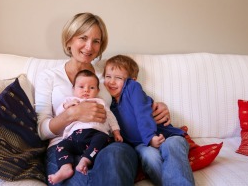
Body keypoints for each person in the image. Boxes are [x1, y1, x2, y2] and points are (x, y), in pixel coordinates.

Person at [34, 12, 172, 186]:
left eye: (96, 41)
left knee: (115, 161)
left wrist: (157, 106)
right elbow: (41, 130)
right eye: (83, 38)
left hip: (105, 145)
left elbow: (130, 101)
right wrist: (73, 114)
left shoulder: (107, 76)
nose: (89, 47)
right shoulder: (49, 77)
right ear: (69, 40)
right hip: (64, 147)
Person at [104, 55, 195, 186]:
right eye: (108, 76)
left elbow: (143, 113)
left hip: (167, 136)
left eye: (118, 78)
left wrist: (150, 137)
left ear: (132, 79)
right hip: (143, 145)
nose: (111, 82)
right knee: (149, 157)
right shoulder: (108, 105)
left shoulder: (132, 88)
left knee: (172, 145)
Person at [48, 69, 123, 184]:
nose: (86, 90)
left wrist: (116, 132)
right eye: (81, 87)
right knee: (61, 146)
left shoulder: (100, 102)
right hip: (73, 137)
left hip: (95, 134)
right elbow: (59, 114)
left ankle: (86, 160)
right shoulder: (70, 101)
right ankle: (65, 167)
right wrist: (66, 106)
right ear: (73, 89)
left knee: (103, 139)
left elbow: (111, 118)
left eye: (92, 88)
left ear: (98, 90)